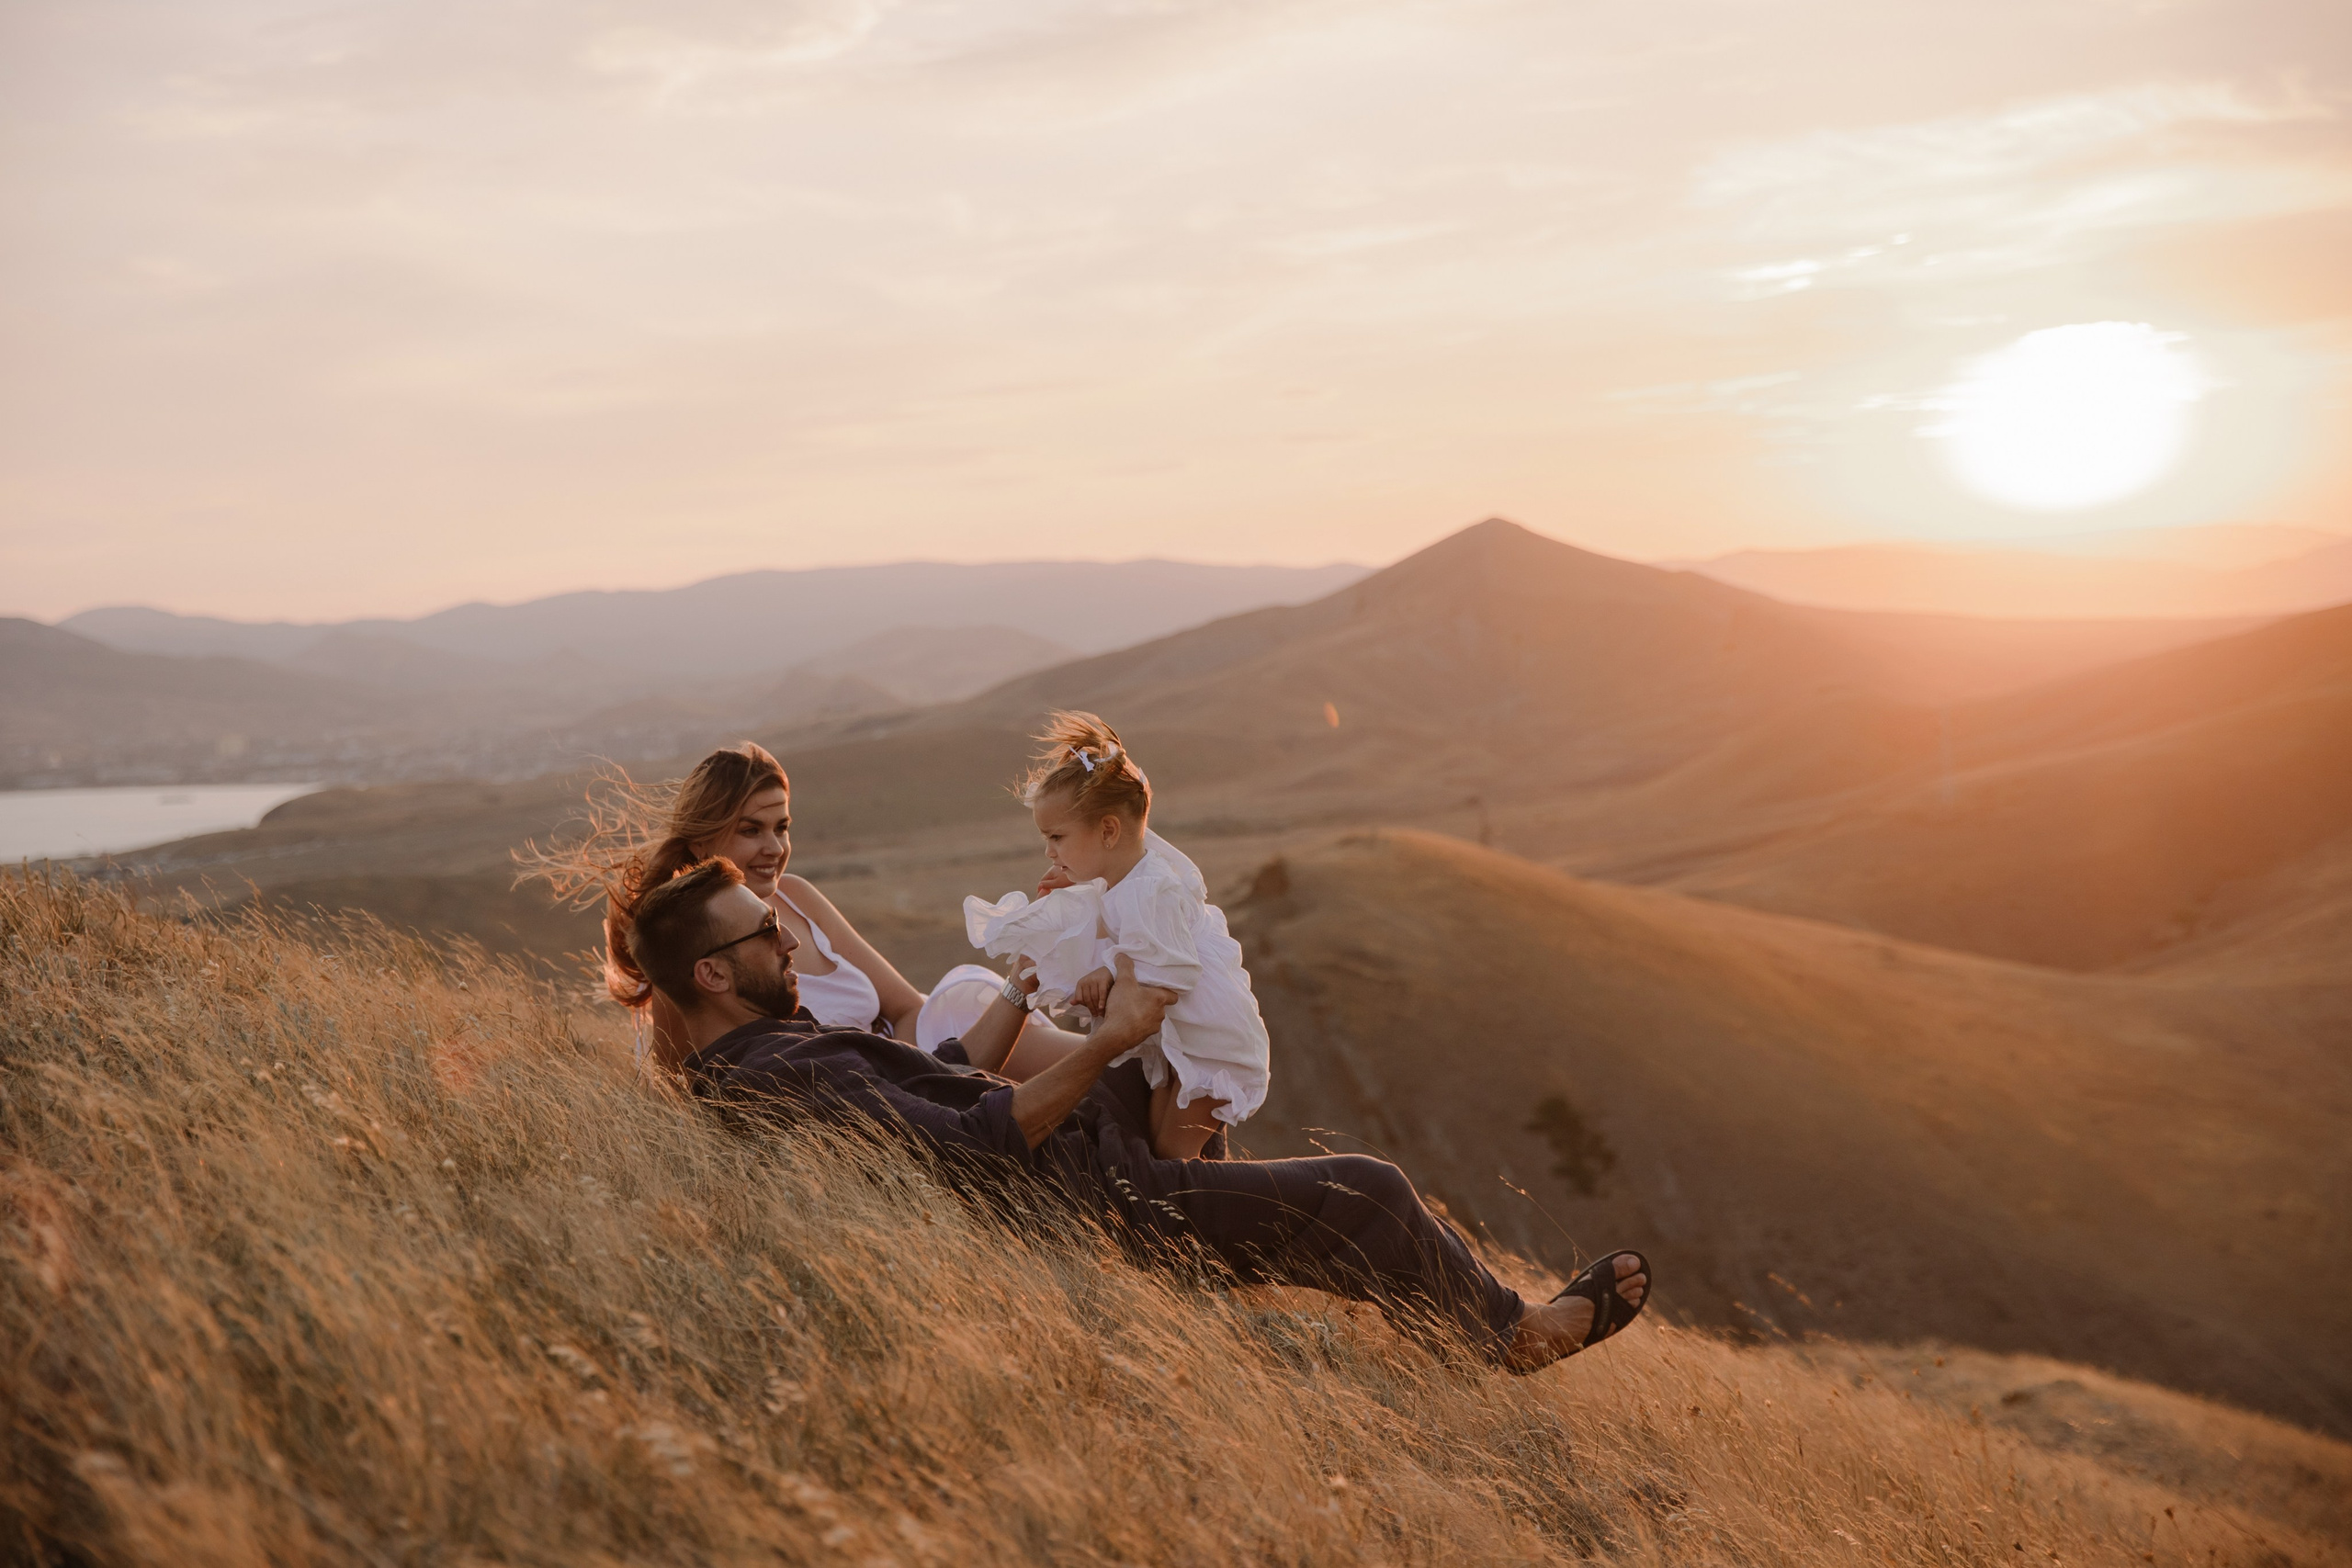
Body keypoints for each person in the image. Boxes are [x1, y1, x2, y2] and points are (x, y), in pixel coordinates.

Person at [631, 855, 1654, 1373]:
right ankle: (1511, 1338)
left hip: (1074, 1162)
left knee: (1184, 1048)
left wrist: (1029, 991)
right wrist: (1108, 1044)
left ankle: (1399, 1307)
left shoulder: (766, 1054)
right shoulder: (778, 1074)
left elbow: (940, 1079)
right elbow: (974, 1148)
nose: (788, 942)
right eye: (764, 935)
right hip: (1093, 1203)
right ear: (714, 973)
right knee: (1367, 1188)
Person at [519, 743, 1078, 1077]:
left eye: (782, 827)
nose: (774, 848)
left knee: (976, 1005)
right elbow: (677, 1091)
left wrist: (907, 1069)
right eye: (750, 830)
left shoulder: (798, 897)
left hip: (915, 1061)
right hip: (852, 1097)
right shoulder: (689, 944)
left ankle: (1139, 1054)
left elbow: (908, 1008)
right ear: (699, 840)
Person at [967, 713, 1268, 1160]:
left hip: (1213, 1045)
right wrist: (1071, 887)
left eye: (1057, 837)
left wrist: (1107, 972)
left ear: (1108, 831)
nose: (1049, 852)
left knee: (1173, 1157)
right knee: (1159, 1142)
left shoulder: (1152, 890)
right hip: (1180, 1040)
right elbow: (1112, 917)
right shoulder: (1125, 875)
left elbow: (1170, 965)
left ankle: (1219, 1221)